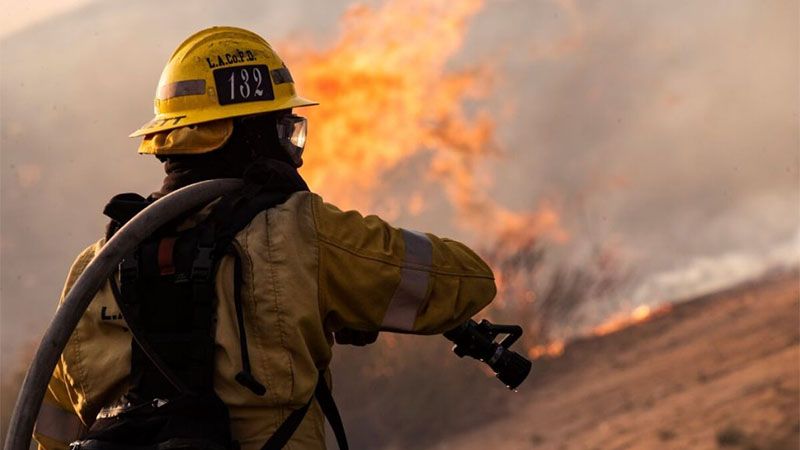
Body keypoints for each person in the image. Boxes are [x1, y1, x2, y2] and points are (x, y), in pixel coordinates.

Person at [33, 26, 496, 450]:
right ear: (250, 134)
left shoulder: (95, 270)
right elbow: (464, 280)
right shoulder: (300, 233)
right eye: (281, 127)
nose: (290, 149)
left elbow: (52, 425)